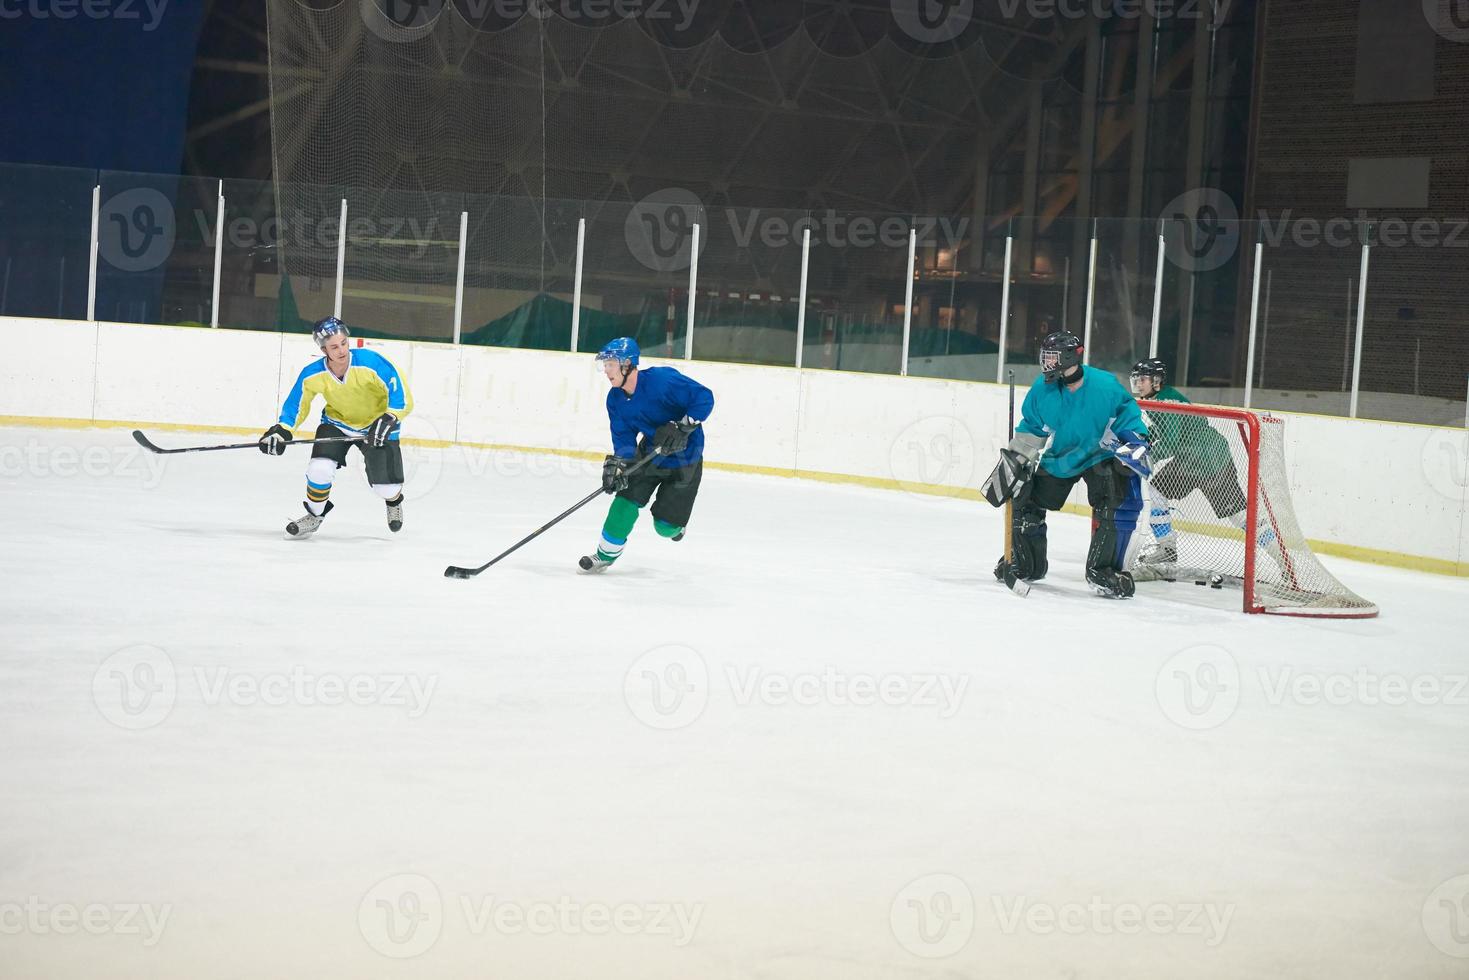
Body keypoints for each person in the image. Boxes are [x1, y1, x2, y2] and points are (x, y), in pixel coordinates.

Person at [984, 332, 1148, 599]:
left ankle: (1102, 570)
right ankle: (1027, 562)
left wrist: (1135, 440)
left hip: (1101, 455)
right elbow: (1032, 429)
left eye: (1052, 357)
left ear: (1071, 356)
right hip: (1065, 455)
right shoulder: (1043, 389)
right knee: (1027, 498)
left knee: (1114, 504)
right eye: (1044, 356)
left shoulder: (1105, 386)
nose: (1046, 363)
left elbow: (1127, 417)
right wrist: (1016, 461)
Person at [259, 317, 414, 538]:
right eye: (334, 346)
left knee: (385, 489)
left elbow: (402, 396)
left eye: (343, 343)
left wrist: (390, 417)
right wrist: (282, 430)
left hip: (377, 427)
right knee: (319, 469)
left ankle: (394, 500)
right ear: (324, 350)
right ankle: (314, 516)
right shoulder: (312, 374)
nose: (341, 350)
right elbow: (297, 404)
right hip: (337, 424)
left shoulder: (370, 362)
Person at [1127, 358, 1282, 574]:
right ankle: (1167, 548)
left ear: (1156, 381)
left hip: (1210, 461)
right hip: (1189, 460)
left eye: (1142, 379)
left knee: (1239, 515)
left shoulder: (1167, 401)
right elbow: (1166, 433)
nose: (1138, 384)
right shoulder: (1160, 397)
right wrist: (1145, 441)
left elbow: (1170, 442)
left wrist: (1145, 455)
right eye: (1136, 379)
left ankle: (1282, 558)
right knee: (1154, 494)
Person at [579, 337, 714, 573]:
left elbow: (704, 397)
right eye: (605, 365)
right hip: (650, 454)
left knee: (665, 527)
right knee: (625, 500)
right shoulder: (615, 399)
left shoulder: (662, 380)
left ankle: (675, 528)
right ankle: (604, 555)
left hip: (686, 458)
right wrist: (620, 465)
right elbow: (623, 439)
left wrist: (682, 426)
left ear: (628, 364)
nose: (606, 371)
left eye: (611, 364)